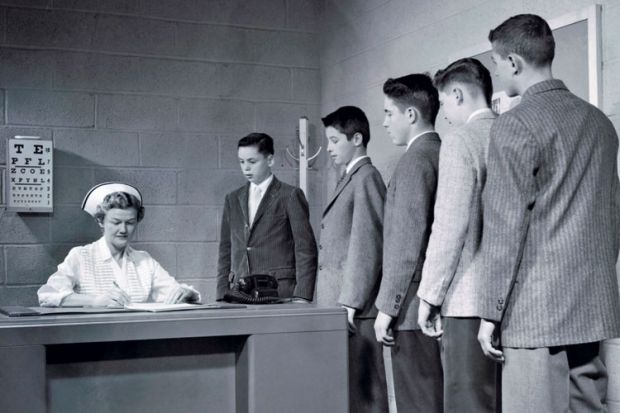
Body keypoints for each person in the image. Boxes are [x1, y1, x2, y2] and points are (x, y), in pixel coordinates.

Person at [476, 14, 620, 413]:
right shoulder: (600, 124)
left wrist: (491, 314)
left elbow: (505, 229)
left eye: (495, 60)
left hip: (534, 312)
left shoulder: (514, 125)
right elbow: (611, 217)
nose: (495, 68)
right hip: (591, 306)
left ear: (514, 64)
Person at [416, 58, 498, 413]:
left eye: (445, 102)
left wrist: (429, 297)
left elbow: (450, 225)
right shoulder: (515, 131)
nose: (444, 113)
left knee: (468, 403)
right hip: (510, 304)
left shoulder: (460, 140)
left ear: (459, 94)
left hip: (468, 300)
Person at [373, 73, 443, 412]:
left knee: (418, 402)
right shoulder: (441, 151)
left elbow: (406, 243)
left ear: (411, 115)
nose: (384, 122)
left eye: (389, 113)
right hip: (435, 307)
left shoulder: (415, 161)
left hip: (413, 309)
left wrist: (387, 307)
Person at [316, 106, 387, 413]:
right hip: (343, 305)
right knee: (349, 392)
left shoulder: (367, 177)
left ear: (356, 138)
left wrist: (351, 303)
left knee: (365, 396)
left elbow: (368, 244)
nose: (329, 148)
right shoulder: (349, 177)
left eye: (334, 140)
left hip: (355, 308)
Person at [38, 182, 200, 307]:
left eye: (130, 222)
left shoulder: (144, 260)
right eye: (116, 222)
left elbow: (172, 291)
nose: (123, 229)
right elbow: (47, 295)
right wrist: (95, 301)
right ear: (101, 221)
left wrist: (185, 293)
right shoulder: (81, 256)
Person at [216, 132, 317, 302]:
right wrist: (221, 295)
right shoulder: (232, 199)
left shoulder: (290, 195)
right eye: (241, 162)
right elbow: (225, 250)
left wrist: (302, 296)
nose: (246, 168)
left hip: (280, 293)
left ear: (270, 160)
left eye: (252, 162)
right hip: (239, 294)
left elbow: (305, 249)